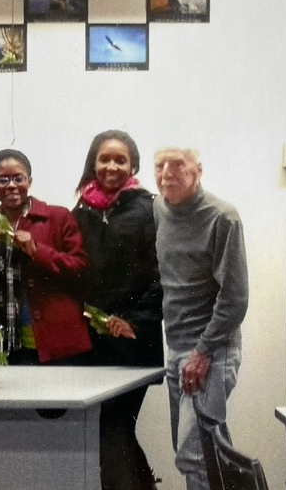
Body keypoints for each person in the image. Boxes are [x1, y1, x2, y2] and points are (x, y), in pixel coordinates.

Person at [153, 147, 249, 490]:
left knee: (195, 456)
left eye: (177, 165)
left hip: (210, 352)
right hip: (176, 347)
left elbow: (235, 298)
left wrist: (202, 353)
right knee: (205, 451)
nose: (166, 173)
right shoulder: (159, 209)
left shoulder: (223, 217)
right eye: (159, 166)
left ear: (199, 171)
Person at [73, 131, 163, 490]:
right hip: (90, 342)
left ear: (133, 166)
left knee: (115, 426)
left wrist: (133, 321)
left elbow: (162, 276)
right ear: (93, 164)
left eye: (120, 160)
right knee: (106, 429)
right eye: (104, 159)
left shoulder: (150, 209)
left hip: (132, 341)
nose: (111, 166)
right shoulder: (80, 209)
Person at [0, 149, 90, 366]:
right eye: (3, 180)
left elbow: (81, 269)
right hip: (5, 346)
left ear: (30, 180)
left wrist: (37, 251)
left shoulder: (58, 217)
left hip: (56, 345)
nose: (11, 185)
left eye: (18, 178)